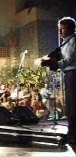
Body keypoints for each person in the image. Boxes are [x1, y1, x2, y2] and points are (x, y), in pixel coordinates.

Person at [41, 16, 76, 148]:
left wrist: (52, 63)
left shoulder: (73, 41)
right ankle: (72, 134)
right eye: (59, 29)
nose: (60, 32)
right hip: (69, 74)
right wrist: (50, 60)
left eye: (62, 28)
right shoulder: (66, 42)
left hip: (73, 74)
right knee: (70, 107)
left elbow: (67, 61)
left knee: (73, 107)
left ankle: (73, 136)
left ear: (70, 28)